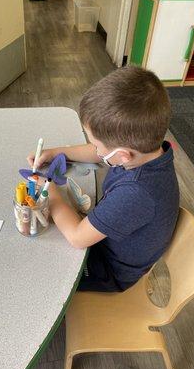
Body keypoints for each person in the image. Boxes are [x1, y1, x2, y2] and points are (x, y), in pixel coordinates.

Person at [27, 66, 180, 293]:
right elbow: (99, 153)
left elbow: (78, 238)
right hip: (109, 239)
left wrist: (51, 194)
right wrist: (58, 153)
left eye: (97, 144)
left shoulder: (136, 193)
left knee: (35, 272)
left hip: (109, 269)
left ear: (122, 155)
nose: (95, 149)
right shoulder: (148, 152)